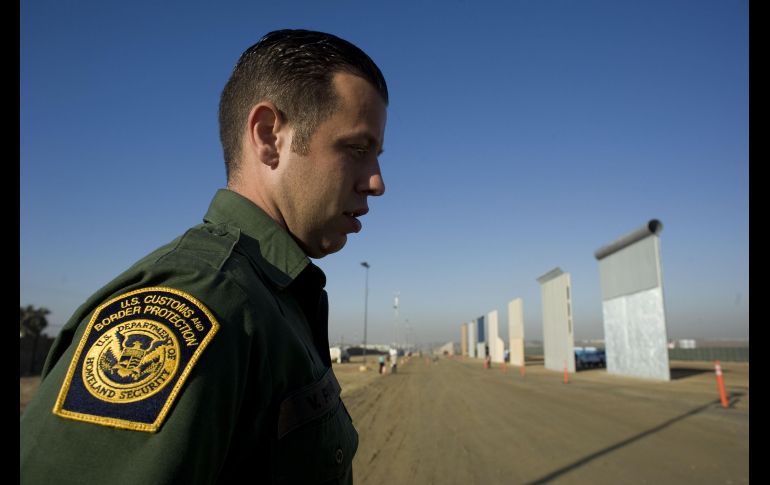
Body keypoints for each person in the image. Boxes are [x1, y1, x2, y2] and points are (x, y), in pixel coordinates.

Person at [20, 29, 388, 485]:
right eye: (357, 149)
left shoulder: (271, 297)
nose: (376, 182)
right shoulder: (202, 301)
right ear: (270, 136)